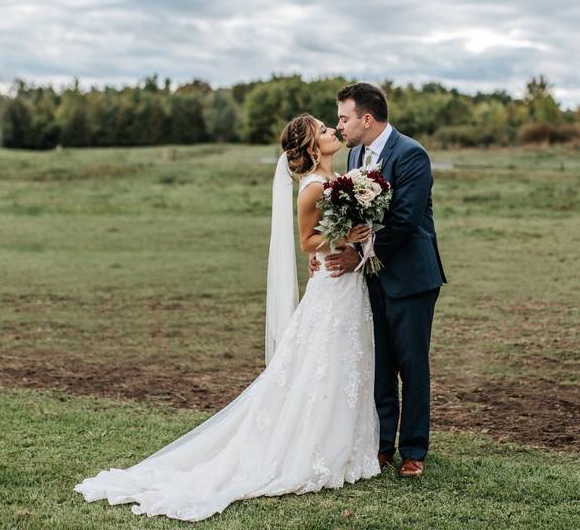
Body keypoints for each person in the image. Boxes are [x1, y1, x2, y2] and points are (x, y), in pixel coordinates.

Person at [74, 114, 379, 522]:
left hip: (346, 285)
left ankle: (345, 444)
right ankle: (314, 448)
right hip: (331, 288)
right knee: (320, 366)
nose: (332, 133)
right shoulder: (313, 189)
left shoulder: (339, 180)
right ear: (310, 147)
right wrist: (347, 237)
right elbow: (307, 240)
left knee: (343, 364)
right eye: (324, 130)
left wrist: (358, 234)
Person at [315, 82, 446, 478]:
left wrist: (361, 253)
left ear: (366, 119)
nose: (340, 126)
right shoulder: (356, 153)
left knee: (411, 365)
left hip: (410, 277)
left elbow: (404, 220)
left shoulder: (411, 155)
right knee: (379, 364)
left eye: (344, 118)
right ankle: (382, 444)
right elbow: (352, 214)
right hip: (370, 280)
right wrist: (330, 247)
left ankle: (414, 450)